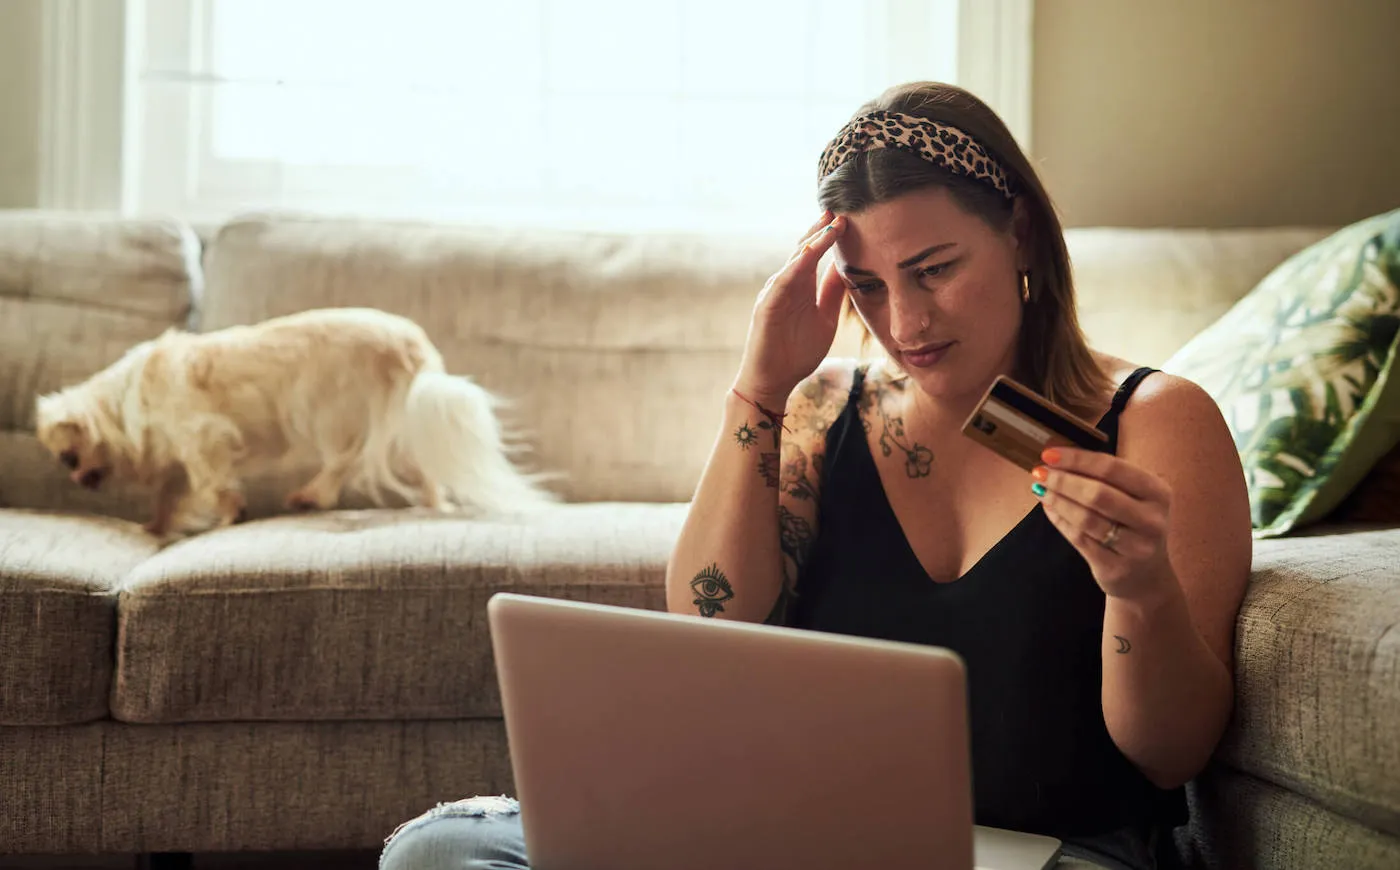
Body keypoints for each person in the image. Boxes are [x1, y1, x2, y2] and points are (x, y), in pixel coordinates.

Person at [378, 81, 1252, 870]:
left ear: (1018, 228)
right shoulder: (824, 411)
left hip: (1063, 854)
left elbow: (1169, 756)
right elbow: (713, 622)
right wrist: (760, 387)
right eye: (868, 286)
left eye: (935, 270)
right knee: (439, 850)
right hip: (808, 843)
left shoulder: (1154, 420)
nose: (905, 320)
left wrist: (1140, 590)